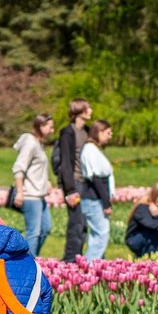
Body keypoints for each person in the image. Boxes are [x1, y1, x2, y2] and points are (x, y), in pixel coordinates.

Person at [10, 113, 53, 256]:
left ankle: (32, 258)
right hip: (30, 195)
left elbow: (36, 168)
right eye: (50, 127)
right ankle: (28, 264)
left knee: (46, 228)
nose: (52, 131)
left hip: (39, 196)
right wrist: (20, 192)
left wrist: (46, 182)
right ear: (41, 126)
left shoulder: (38, 144)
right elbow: (18, 167)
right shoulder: (30, 143)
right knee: (33, 232)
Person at [56, 98, 91, 262]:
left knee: (83, 223)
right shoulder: (68, 133)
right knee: (76, 223)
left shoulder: (87, 131)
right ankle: (70, 259)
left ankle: (79, 256)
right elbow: (65, 163)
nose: (90, 111)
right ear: (80, 111)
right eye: (88, 108)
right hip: (74, 183)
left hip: (86, 184)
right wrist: (69, 190)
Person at [79, 120, 115, 262]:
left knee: (95, 236)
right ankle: (89, 267)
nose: (110, 136)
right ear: (98, 132)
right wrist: (106, 204)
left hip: (94, 199)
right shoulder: (90, 150)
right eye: (108, 133)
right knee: (102, 234)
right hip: (94, 199)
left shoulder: (92, 149)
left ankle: (93, 265)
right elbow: (96, 179)